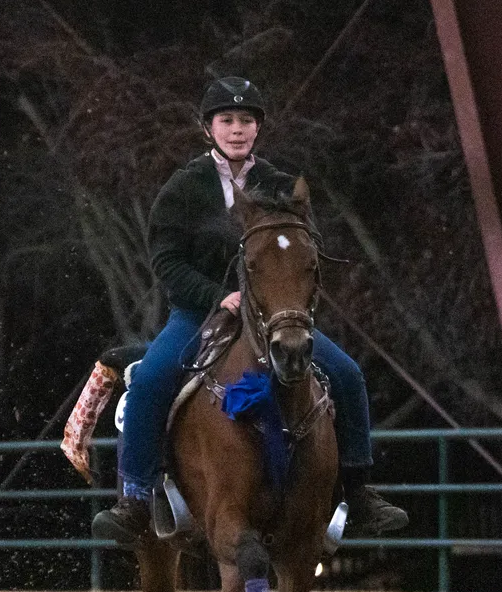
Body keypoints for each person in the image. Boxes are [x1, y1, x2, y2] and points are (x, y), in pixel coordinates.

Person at [91, 76, 407, 545]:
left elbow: (302, 253)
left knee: (346, 374)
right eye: (227, 120)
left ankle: (358, 492)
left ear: (258, 128)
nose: (237, 129)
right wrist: (216, 295)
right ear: (208, 128)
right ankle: (135, 500)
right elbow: (166, 261)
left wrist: (287, 298)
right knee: (153, 378)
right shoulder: (182, 189)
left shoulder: (280, 185)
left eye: (246, 120)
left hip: (273, 316)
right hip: (198, 315)